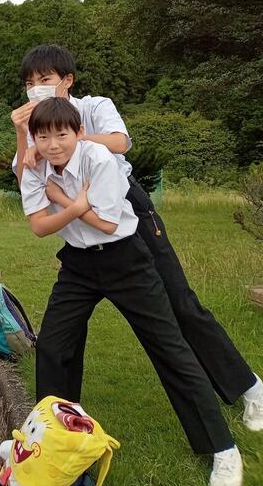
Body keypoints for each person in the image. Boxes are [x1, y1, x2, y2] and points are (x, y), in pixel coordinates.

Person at [11, 44, 262, 433]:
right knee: (65, 333)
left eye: (45, 79)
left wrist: (68, 138)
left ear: (67, 81)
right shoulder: (35, 126)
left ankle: (249, 388)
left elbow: (120, 142)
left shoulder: (93, 106)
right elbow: (26, 176)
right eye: (30, 83)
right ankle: (61, 426)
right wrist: (25, 136)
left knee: (180, 304)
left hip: (129, 211)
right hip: (83, 229)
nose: (36, 88)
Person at [19, 97, 242, 486]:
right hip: (78, 265)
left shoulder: (99, 159)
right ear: (33, 139)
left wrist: (61, 200)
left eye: (62, 135)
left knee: (169, 348)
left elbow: (107, 224)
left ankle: (223, 449)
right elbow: (39, 227)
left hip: (126, 260)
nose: (53, 145)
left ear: (78, 133)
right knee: (53, 347)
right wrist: (74, 204)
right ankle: (53, 444)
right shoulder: (34, 166)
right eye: (43, 137)